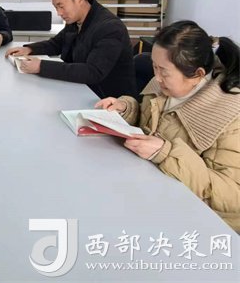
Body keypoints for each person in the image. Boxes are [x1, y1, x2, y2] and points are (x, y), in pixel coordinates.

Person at [95, 21, 240, 232]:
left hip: (205, 224)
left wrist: (166, 153)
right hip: (151, 192)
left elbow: (233, 196)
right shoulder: (167, 82)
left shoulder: (231, 114)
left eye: (163, 71)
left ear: (198, 75)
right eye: (154, 66)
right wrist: (125, 108)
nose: (156, 77)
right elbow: (149, 121)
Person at [5, 0, 136, 98]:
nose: (59, 13)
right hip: (79, 89)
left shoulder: (110, 27)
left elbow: (93, 72)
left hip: (106, 99)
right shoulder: (75, 20)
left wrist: (41, 66)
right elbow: (57, 43)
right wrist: (29, 49)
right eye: (56, 7)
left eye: (61, 6)